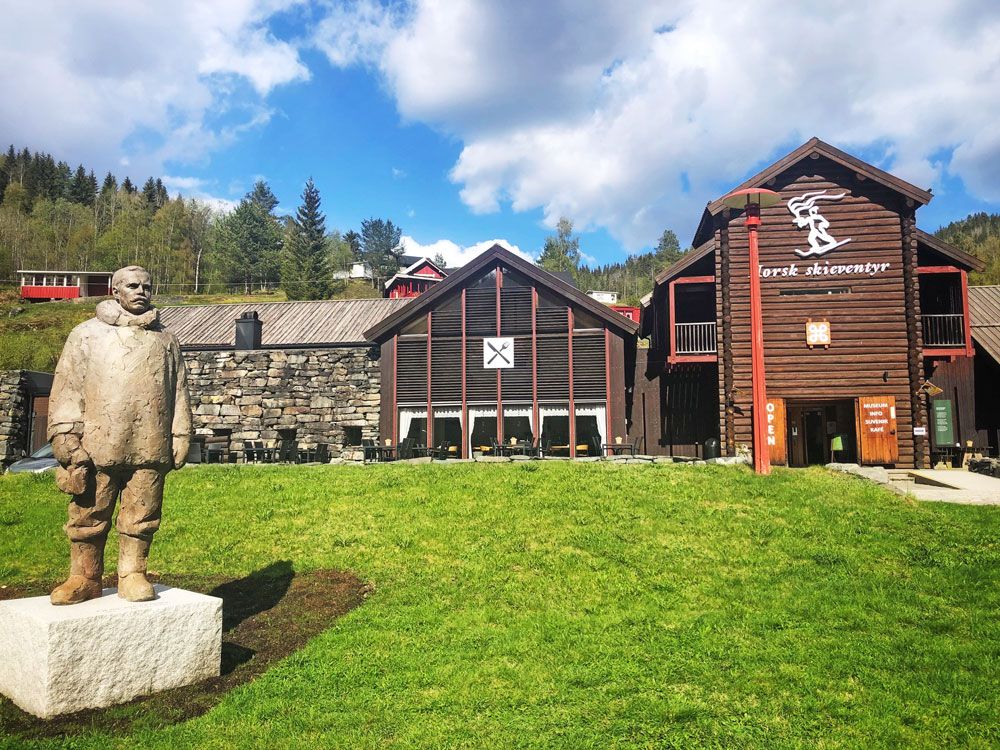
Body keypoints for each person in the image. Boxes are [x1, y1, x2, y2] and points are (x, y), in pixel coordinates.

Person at [47, 266, 191, 605]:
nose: (141, 291)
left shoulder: (165, 339)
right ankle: (84, 576)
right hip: (97, 445)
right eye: (132, 285)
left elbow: (179, 389)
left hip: (149, 441)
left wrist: (181, 432)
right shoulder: (86, 334)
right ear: (115, 291)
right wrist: (66, 435)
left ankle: (132, 572)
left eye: (147, 286)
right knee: (87, 513)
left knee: (142, 514)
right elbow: (67, 385)